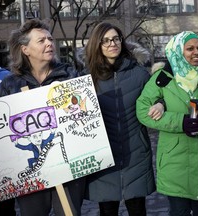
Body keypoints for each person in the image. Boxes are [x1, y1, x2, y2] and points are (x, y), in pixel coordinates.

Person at [136, 31, 198, 216]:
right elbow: (143, 110)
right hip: (174, 161)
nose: (196, 52)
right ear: (177, 51)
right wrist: (180, 122)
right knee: (178, 212)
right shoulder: (163, 77)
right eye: (190, 48)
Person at [0, 18, 85, 216]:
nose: (49, 43)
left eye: (50, 39)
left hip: (68, 170)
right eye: (41, 40)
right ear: (25, 49)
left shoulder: (70, 76)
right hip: (29, 172)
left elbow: (86, 116)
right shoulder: (10, 85)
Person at [82, 22, 164, 216]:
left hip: (135, 152)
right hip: (103, 157)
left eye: (116, 39)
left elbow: (158, 96)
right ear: (97, 44)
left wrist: (160, 104)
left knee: (137, 209)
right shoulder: (87, 77)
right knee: (107, 210)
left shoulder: (139, 74)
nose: (112, 44)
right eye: (106, 40)